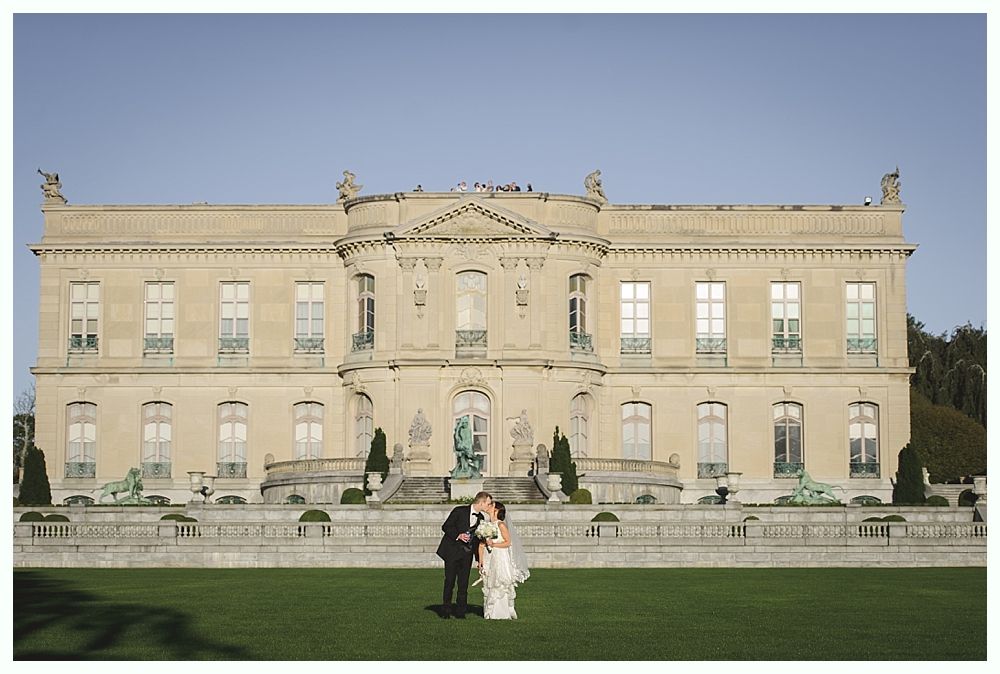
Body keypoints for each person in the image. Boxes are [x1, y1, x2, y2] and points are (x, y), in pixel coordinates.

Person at [436, 490, 493, 619]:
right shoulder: (459, 511)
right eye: (488, 504)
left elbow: (478, 540)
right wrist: (458, 535)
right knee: (449, 581)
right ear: (481, 502)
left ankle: (461, 612)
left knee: (463, 584)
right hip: (452, 552)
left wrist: (479, 559)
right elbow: (446, 526)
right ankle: (445, 610)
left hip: (467, 555)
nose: (488, 507)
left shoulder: (481, 518)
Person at [477, 500, 530, 620]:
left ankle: (500, 613)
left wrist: (494, 544)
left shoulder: (501, 525)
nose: (488, 506)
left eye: (491, 505)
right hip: (489, 556)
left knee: (500, 581)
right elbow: (481, 544)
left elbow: (508, 542)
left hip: (500, 556)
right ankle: (489, 612)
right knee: (489, 581)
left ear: (496, 510)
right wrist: (480, 561)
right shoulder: (486, 525)